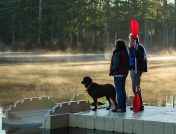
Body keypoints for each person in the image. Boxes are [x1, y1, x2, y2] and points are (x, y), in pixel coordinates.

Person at [128, 33, 148, 111]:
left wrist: (135, 49)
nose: (129, 40)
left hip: (136, 69)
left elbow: (140, 57)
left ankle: (140, 105)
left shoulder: (139, 47)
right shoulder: (132, 47)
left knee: (135, 87)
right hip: (132, 69)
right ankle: (139, 104)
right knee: (135, 87)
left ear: (133, 39)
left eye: (130, 38)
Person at [109, 39, 129, 112]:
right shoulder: (125, 52)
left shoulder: (117, 53)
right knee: (122, 91)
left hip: (118, 74)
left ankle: (119, 107)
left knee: (119, 91)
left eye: (116, 45)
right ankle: (123, 107)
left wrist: (113, 69)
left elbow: (116, 64)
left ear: (117, 45)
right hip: (124, 74)